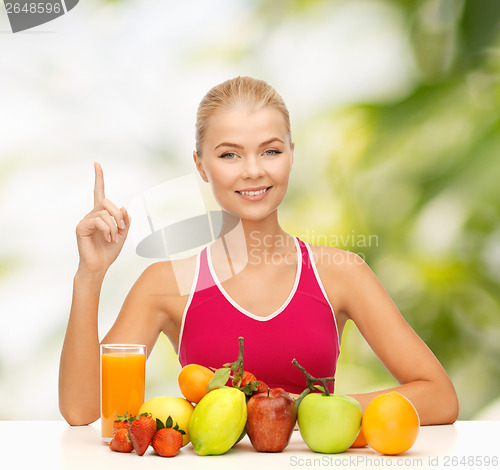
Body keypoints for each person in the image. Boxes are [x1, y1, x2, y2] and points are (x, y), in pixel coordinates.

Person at [59, 76, 459, 426]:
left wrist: (305, 410)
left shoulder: (340, 273)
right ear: (201, 166)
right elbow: (82, 410)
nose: (253, 170)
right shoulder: (165, 284)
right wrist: (90, 275)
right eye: (229, 154)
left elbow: (439, 397)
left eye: (270, 150)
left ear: (290, 153)